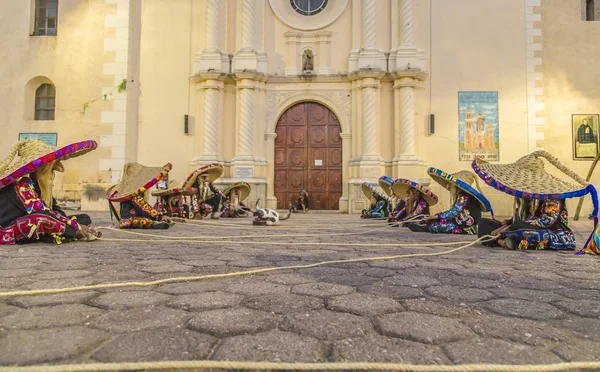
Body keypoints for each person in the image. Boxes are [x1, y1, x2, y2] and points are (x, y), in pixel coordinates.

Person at [473, 150, 599, 253]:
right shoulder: (524, 194)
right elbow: (519, 217)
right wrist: (506, 224)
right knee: (485, 224)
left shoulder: (552, 195)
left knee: (519, 228)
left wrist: (511, 226)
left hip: (552, 231)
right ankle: (506, 239)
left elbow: (546, 221)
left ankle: (505, 238)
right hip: (525, 226)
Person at [0, 138, 100, 245]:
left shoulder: (37, 182)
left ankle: (61, 233)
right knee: (41, 219)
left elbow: (54, 209)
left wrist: (74, 224)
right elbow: (40, 212)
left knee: (84, 218)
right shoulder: (21, 184)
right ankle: (70, 233)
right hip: (5, 230)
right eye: (53, 165)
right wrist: (75, 229)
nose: (60, 169)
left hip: (31, 219)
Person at [408, 169, 494, 234]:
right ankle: (424, 225)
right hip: (460, 221)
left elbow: (454, 211)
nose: (449, 186)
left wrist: (436, 217)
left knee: (437, 225)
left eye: (451, 184)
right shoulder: (463, 195)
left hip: (466, 226)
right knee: (434, 221)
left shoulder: (463, 196)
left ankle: (425, 228)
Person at [107, 162, 173, 229]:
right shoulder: (133, 192)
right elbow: (142, 206)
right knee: (146, 221)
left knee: (146, 219)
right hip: (128, 221)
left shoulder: (129, 190)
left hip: (133, 217)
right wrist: (160, 217)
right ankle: (155, 224)